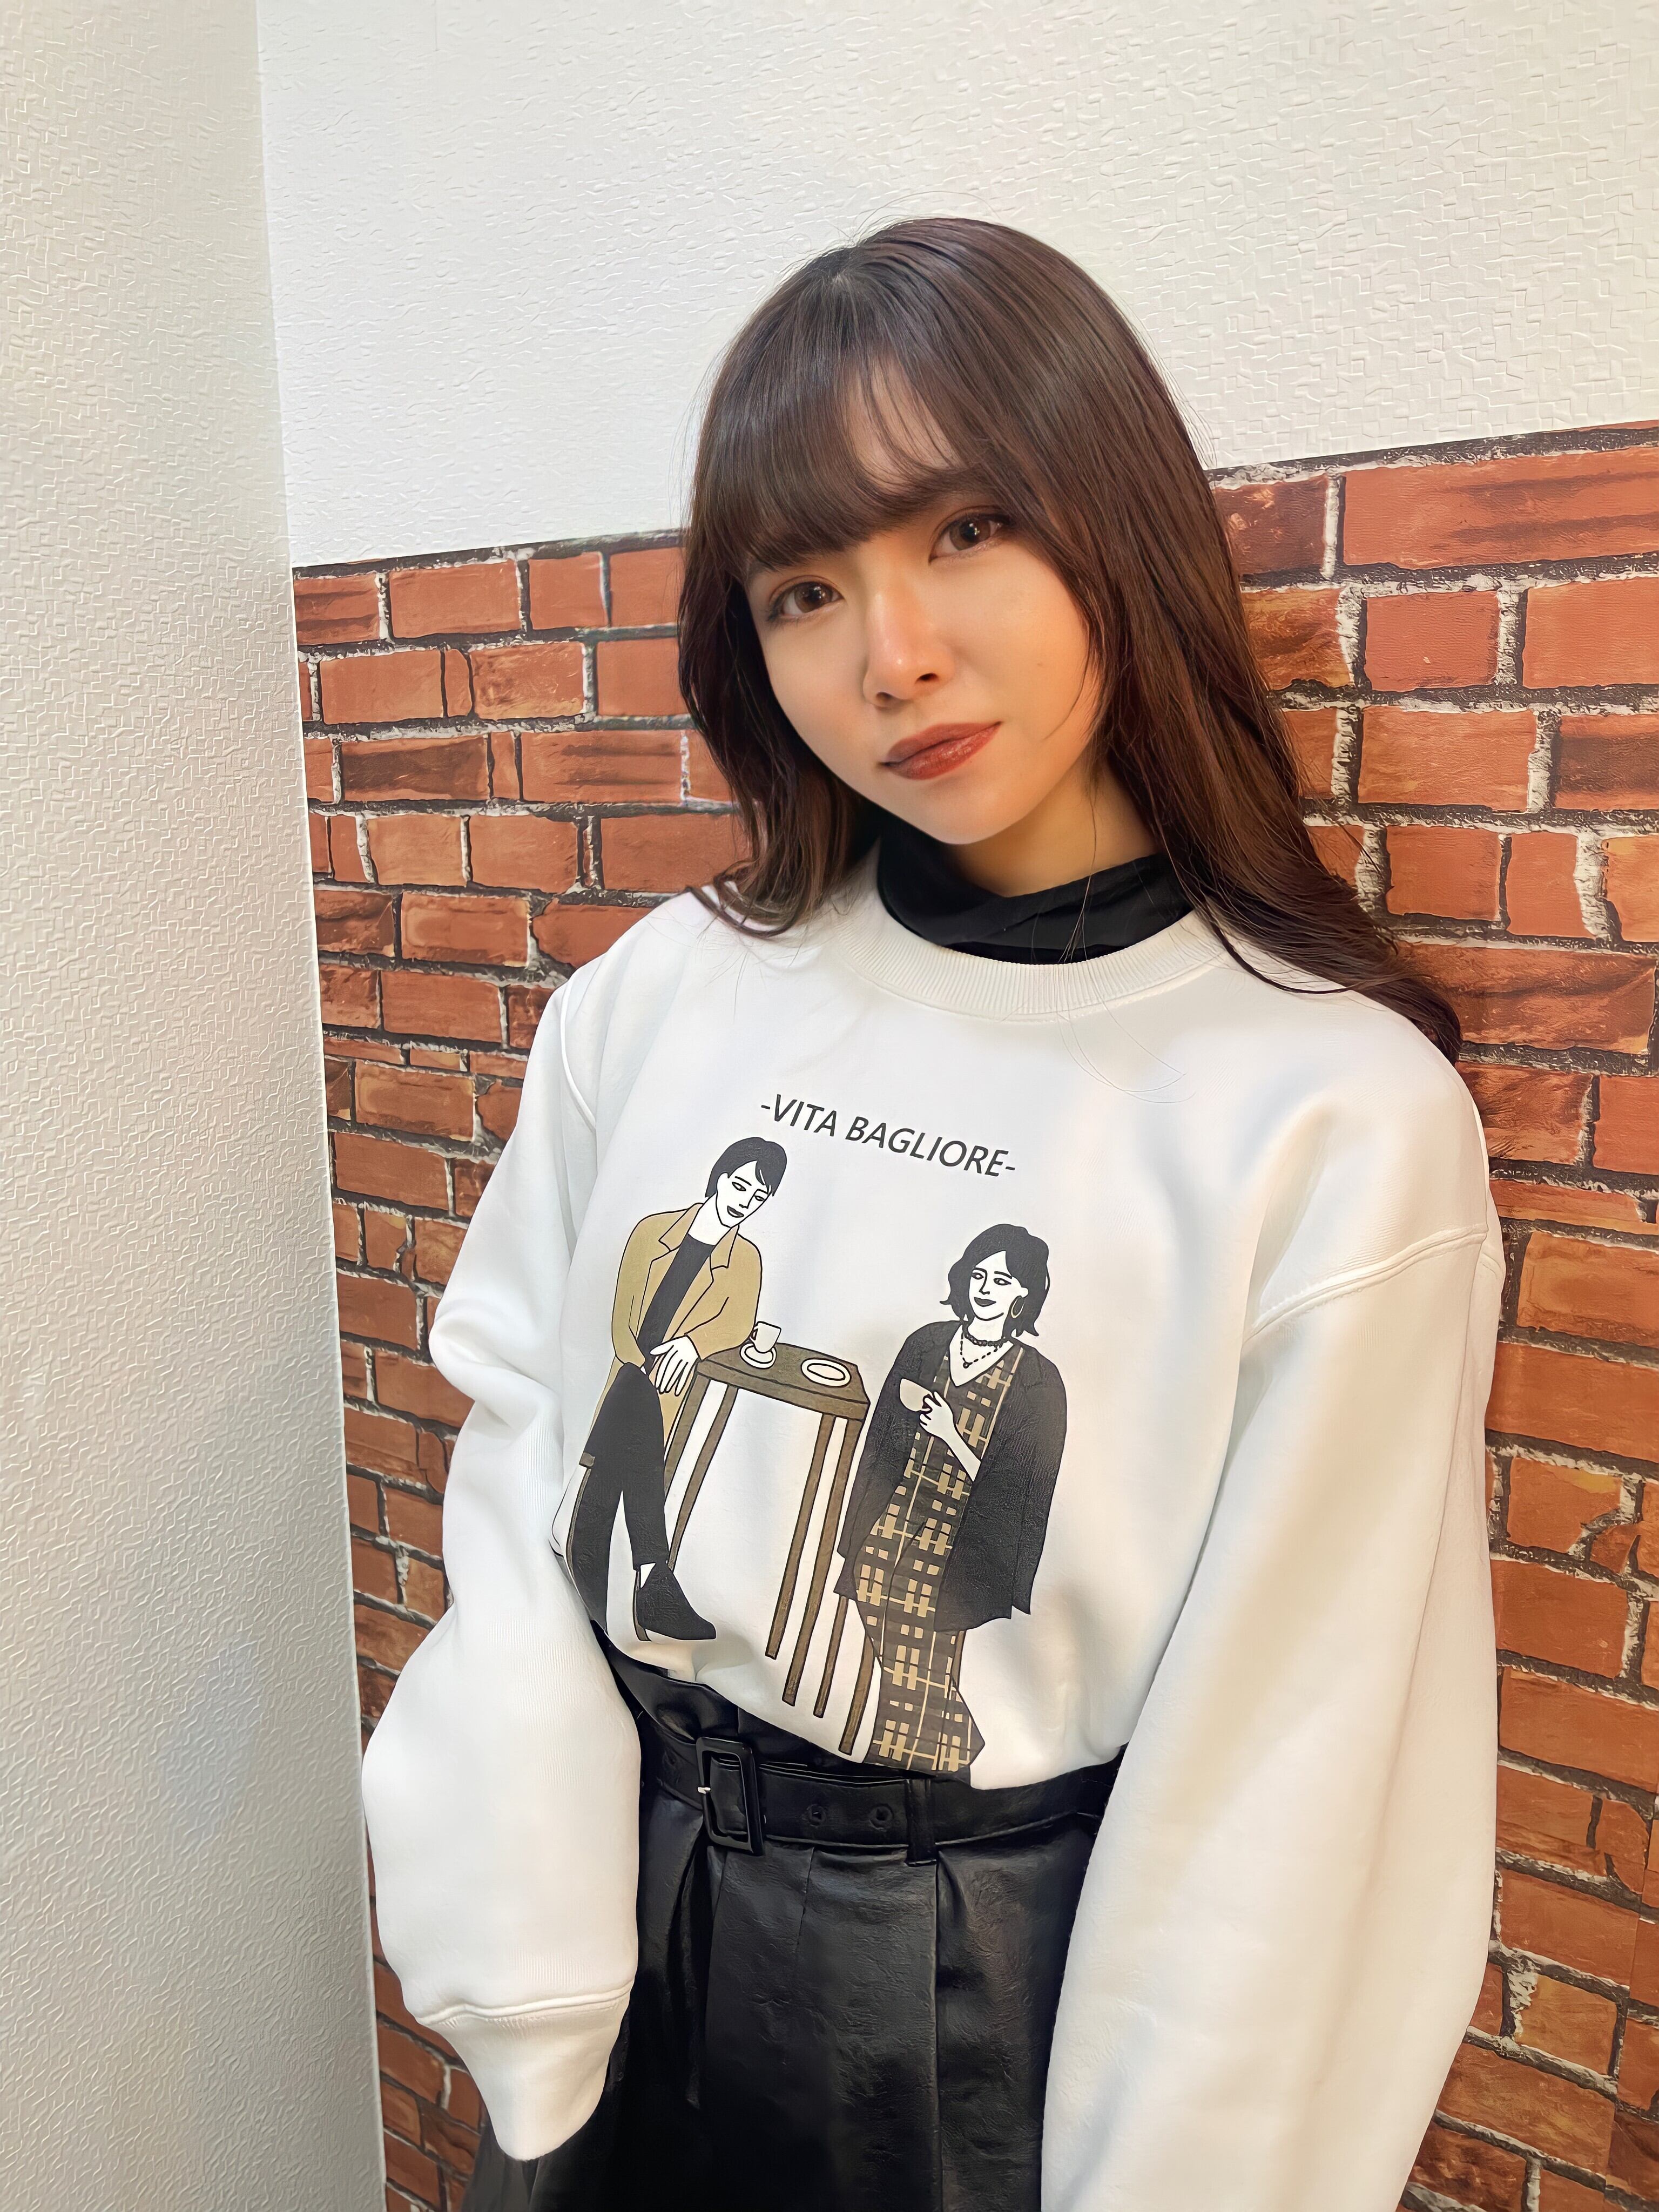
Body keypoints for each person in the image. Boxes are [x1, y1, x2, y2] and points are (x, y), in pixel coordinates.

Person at [361, 218, 1504, 2212]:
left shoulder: (1324, 1113)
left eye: (965, 531)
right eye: (804, 588)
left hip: (974, 2006)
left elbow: (1288, 1787)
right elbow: (528, 1436)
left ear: (1114, 524)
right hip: (610, 1919)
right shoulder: (673, 990)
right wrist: (525, 1961)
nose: (888, 656)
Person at [835, 1223, 1067, 1775]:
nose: (986, 1289)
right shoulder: (927, 1343)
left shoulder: (1039, 1382)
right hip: (894, 1512)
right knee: (880, 1600)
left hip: (963, 1538)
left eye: (1003, 1280)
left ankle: (899, 1764)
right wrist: (856, 1522)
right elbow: (880, 1441)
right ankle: (957, 1749)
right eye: (979, 1275)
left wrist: (951, 1435)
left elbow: (1021, 1491)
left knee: (915, 1636)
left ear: (1025, 1294)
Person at [564, 1135, 787, 1642]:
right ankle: (653, 1579)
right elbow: (622, 1321)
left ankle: (599, 1606)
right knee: (633, 1422)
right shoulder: (654, 1231)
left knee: (603, 1489)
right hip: (633, 1377)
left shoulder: (745, 1259)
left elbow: (737, 1323)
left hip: (667, 1393)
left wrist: (691, 1344)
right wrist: (644, 1368)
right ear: (719, 1177)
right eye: (740, 1186)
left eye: (758, 1197)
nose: (745, 1201)